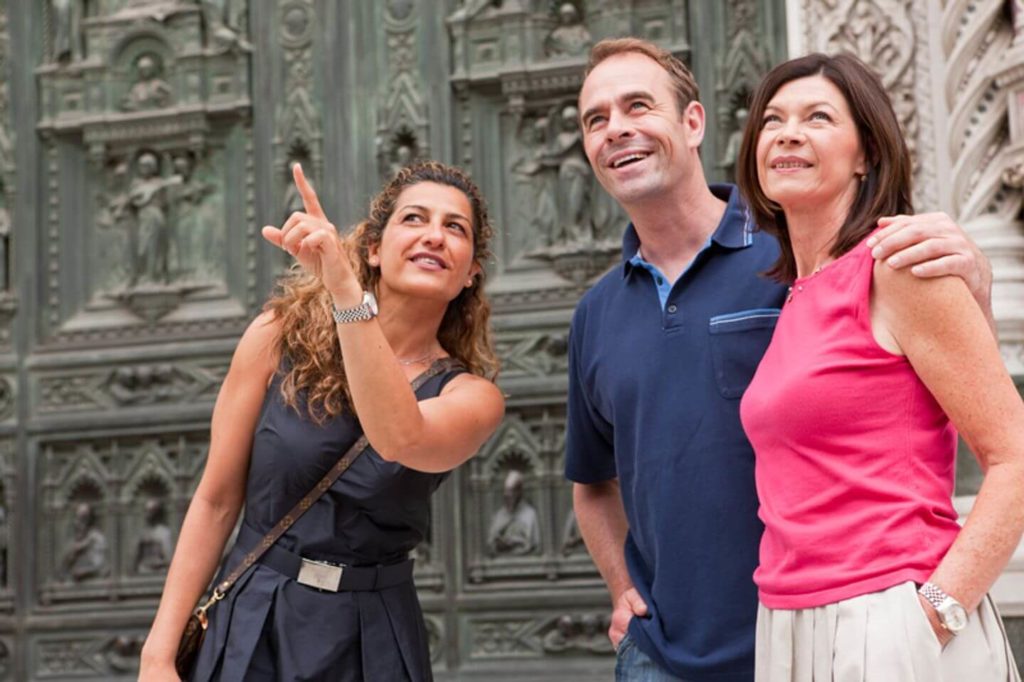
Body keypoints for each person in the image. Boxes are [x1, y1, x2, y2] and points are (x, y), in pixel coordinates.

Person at [565, 37, 995, 682]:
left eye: (638, 105)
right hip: (678, 651)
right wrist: (621, 586)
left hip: (845, 632)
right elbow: (592, 481)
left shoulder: (814, 258)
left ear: (694, 122)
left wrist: (938, 608)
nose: (616, 128)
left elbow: (973, 422)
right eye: (595, 118)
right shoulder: (596, 314)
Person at [139, 161, 505, 681]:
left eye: (455, 227)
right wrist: (157, 654)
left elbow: (399, 437)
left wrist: (347, 294)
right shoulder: (278, 334)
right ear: (374, 249)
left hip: (369, 637)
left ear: (471, 272)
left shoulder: (472, 397)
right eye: (414, 218)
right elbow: (216, 500)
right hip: (253, 617)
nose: (433, 236)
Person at [736, 52, 1023, 681]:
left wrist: (934, 616)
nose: (788, 133)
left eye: (817, 117)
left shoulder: (898, 265)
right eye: (772, 120)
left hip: (887, 620)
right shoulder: (797, 296)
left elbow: (1015, 456)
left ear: (866, 153)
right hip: (788, 621)